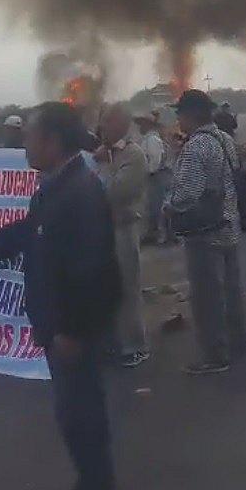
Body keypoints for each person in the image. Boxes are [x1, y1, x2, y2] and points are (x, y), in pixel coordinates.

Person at [0, 102, 120, 490]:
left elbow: (94, 272)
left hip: (72, 332)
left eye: (31, 137)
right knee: (74, 418)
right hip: (59, 328)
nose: (24, 145)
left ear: (52, 142)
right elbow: (26, 233)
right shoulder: (56, 187)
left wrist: (72, 331)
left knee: (83, 418)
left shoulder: (80, 193)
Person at [167, 89, 246, 375]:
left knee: (206, 297)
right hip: (229, 224)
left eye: (179, 113)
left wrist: (167, 205)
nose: (177, 118)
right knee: (231, 289)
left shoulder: (196, 147)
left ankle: (214, 356)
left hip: (204, 231)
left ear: (190, 115)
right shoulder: (224, 139)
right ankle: (239, 341)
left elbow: (187, 195)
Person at [92, 105, 149, 368]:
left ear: (120, 126)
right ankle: (112, 341)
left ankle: (134, 345)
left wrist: (102, 164)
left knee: (127, 286)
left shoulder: (133, 155)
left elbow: (113, 191)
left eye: (107, 123)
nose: (101, 128)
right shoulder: (103, 155)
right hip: (101, 229)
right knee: (107, 288)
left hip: (123, 228)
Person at [137, 115, 172, 245]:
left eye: (142, 124)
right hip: (156, 175)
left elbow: (155, 159)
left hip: (156, 176)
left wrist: (149, 171)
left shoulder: (152, 139)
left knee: (157, 206)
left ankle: (162, 235)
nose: (140, 127)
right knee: (155, 205)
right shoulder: (150, 139)